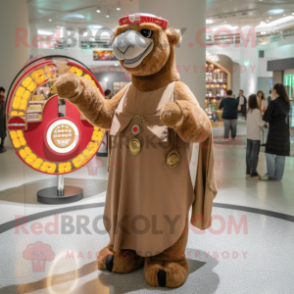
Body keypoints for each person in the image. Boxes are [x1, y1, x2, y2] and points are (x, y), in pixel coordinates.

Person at [260, 83, 290, 181]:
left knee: (269, 152)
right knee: (281, 154)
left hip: (275, 132)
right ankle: (278, 176)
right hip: (285, 132)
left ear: (275, 91)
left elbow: (266, 117)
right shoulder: (287, 102)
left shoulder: (274, 103)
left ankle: (270, 174)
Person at [246, 94, 265, 177]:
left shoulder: (249, 110)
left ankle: (248, 170)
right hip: (255, 135)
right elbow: (259, 123)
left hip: (249, 134)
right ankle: (254, 172)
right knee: (254, 154)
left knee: (248, 153)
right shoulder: (257, 111)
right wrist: (265, 121)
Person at [0, 87, 7, 153]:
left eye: (3, 92)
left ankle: (1, 146)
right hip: (0, 120)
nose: (2, 93)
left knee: (3, 135)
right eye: (1, 92)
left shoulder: (3, 101)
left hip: (2, 121)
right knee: (2, 134)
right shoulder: (1, 101)